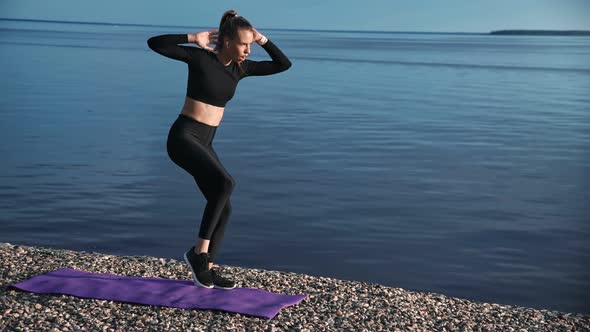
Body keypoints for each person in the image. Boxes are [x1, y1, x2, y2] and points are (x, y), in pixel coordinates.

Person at [147, 9, 292, 289]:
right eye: (243, 44)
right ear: (226, 41)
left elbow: (283, 64)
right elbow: (156, 43)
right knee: (225, 183)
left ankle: (208, 268)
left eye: (250, 45)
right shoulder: (200, 58)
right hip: (183, 138)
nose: (248, 50)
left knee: (224, 206)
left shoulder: (241, 69)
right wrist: (192, 37)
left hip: (205, 141)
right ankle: (198, 254)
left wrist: (260, 37)